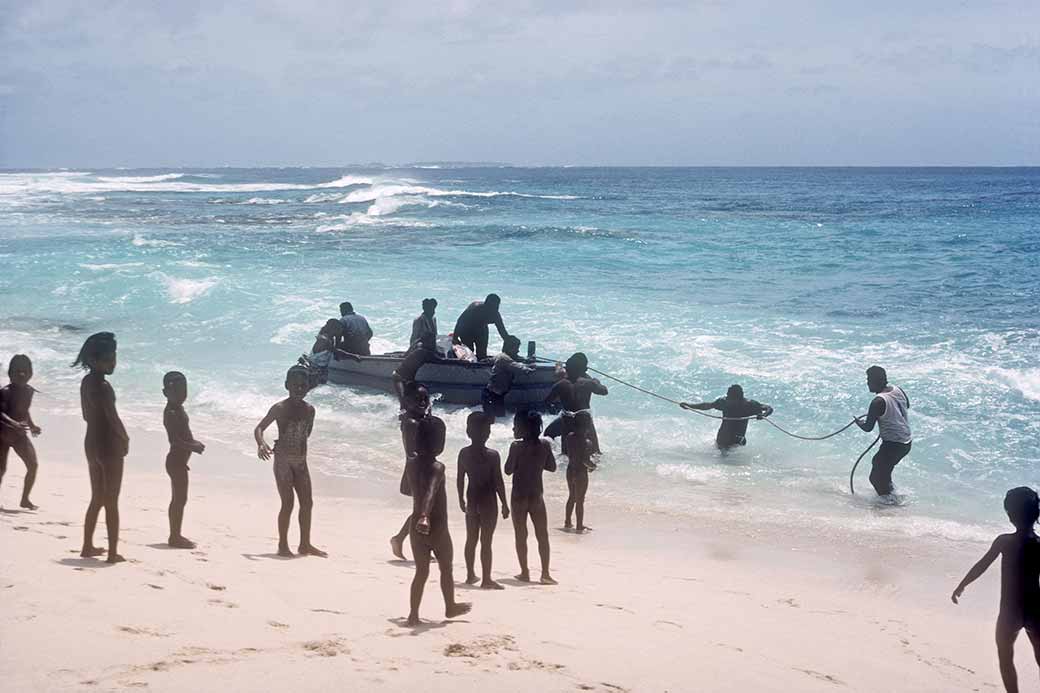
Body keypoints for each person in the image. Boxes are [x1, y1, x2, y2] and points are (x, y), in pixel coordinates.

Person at [952, 487, 1040, 693]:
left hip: (1009, 612)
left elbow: (981, 565)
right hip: (1036, 610)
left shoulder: (1004, 541)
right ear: (1036, 514)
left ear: (1010, 515)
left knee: (1005, 657)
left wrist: (962, 584)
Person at [405, 415, 472, 626]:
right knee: (446, 568)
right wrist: (425, 516)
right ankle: (450, 606)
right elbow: (432, 492)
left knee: (421, 572)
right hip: (436, 527)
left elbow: (404, 489)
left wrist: (419, 508)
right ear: (439, 442)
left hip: (415, 527)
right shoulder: (438, 467)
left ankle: (413, 614)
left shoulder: (411, 464)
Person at [254, 365, 326, 558]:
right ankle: (283, 544)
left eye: (303, 385)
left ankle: (305, 544)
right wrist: (261, 444)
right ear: (287, 385)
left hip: (301, 462)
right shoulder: (279, 408)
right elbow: (259, 428)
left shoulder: (310, 410)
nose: (299, 389)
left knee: (307, 503)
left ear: (309, 387)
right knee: (288, 503)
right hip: (283, 462)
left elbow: (307, 434)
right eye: (295, 385)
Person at [74, 332, 128, 563]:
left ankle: (87, 546)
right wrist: (124, 438)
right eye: (108, 358)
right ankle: (113, 553)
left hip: (91, 442)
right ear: (94, 360)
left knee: (97, 497)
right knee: (112, 500)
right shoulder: (104, 387)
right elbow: (113, 417)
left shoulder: (86, 382)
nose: (113, 362)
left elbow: (87, 415)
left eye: (114, 357)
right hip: (108, 444)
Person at [457, 412, 509, 589]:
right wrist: (504, 503)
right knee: (486, 541)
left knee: (471, 539)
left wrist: (460, 499)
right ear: (488, 433)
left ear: (468, 432)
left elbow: (460, 479)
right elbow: (498, 482)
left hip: (472, 499)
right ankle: (486, 579)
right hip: (488, 502)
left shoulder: (463, 453)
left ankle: (470, 575)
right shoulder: (493, 455)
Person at [505, 410, 558, 585]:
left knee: (521, 535)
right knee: (542, 535)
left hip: (519, 497)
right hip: (537, 497)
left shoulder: (516, 446)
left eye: (515, 425)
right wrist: (537, 462)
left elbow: (508, 470)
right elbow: (552, 467)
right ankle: (545, 573)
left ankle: (525, 572)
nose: (513, 428)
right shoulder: (544, 445)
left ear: (523, 429)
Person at [389, 381, 434, 560]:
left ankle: (406, 540)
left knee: (425, 509)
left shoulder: (420, 420)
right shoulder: (411, 423)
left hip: (423, 469)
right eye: (418, 399)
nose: (423, 402)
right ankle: (402, 539)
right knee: (421, 510)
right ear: (407, 401)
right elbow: (411, 452)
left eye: (426, 399)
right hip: (416, 471)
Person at [162, 371, 205, 549]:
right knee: (179, 499)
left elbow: (183, 435)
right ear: (166, 393)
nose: (182, 395)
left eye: (184, 390)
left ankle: (175, 534)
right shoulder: (171, 412)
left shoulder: (178, 408)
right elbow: (175, 440)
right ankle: (175, 536)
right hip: (175, 461)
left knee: (180, 499)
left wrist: (193, 442)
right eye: (177, 391)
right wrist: (192, 447)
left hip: (179, 461)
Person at [854, 365, 911, 497]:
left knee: (876, 478)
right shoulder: (898, 389)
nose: (867, 382)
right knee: (882, 471)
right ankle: (892, 497)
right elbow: (906, 405)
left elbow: (868, 428)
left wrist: (859, 423)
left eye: (869, 379)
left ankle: (889, 505)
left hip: (893, 444)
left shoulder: (877, 402)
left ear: (877, 381)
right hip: (905, 442)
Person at [544, 353, 608, 455]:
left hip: (567, 418)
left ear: (567, 368)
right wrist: (596, 381)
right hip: (584, 419)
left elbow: (547, 401)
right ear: (584, 369)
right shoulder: (589, 383)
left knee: (563, 449)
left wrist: (558, 365)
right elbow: (604, 391)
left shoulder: (560, 384)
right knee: (595, 453)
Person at [0, 355, 41, 510]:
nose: (22, 375)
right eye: (17, 372)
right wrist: (14, 423)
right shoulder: (5, 392)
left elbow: (24, 411)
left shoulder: (30, 391)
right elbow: (1, 413)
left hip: (19, 435)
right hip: (2, 435)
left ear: (31, 373)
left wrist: (32, 426)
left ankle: (25, 499)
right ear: (10, 373)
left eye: (25, 371)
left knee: (33, 465)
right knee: (1, 470)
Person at [680, 384, 774, 450]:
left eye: (730, 397)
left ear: (739, 398)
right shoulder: (723, 402)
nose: (727, 398)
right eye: (727, 396)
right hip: (723, 437)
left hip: (738, 439)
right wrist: (689, 406)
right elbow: (707, 405)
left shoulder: (749, 405)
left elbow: (768, 408)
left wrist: (763, 415)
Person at [482, 335, 534, 420]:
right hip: (492, 395)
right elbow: (516, 366)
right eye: (516, 348)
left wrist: (524, 360)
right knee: (495, 419)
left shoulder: (501, 356)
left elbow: (493, 359)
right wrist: (528, 369)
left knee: (498, 419)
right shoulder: (504, 359)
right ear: (509, 348)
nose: (518, 351)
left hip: (495, 394)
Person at [564, 411, 596, 532]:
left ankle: (567, 522)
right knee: (580, 500)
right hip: (581, 473)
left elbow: (569, 453)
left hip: (570, 470)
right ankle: (579, 525)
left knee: (571, 497)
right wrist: (593, 467)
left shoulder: (569, 437)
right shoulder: (587, 442)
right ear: (587, 426)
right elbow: (585, 460)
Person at [452, 293, 509, 360]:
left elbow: (501, 330)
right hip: (467, 329)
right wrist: (455, 337)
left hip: (482, 329)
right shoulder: (475, 309)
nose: (495, 309)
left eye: (497, 306)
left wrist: (508, 340)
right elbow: (460, 321)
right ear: (486, 304)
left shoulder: (495, 314)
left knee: (482, 354)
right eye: (492, 307)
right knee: (469, 352)